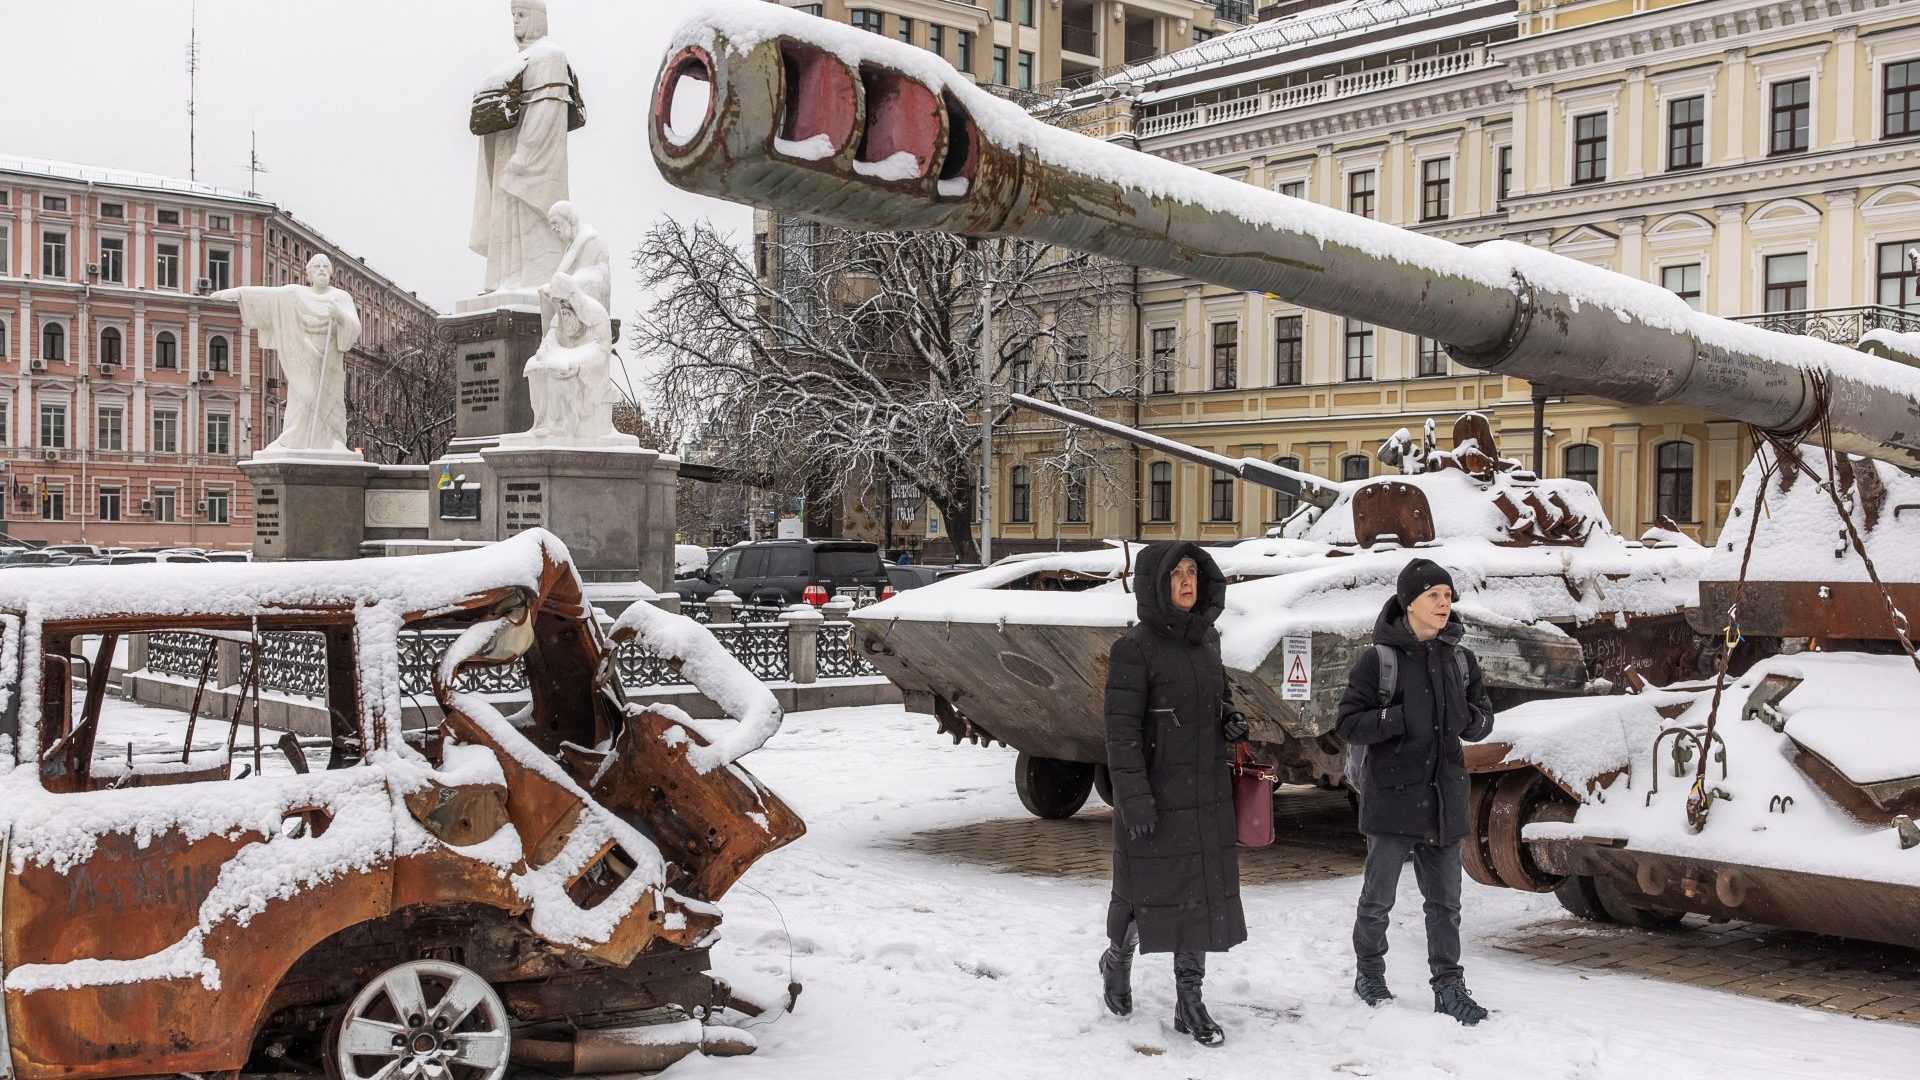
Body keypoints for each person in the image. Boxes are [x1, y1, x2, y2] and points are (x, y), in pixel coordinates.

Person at [1100, 542, 1249, 1047]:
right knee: (1144, 900)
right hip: (1156, 798)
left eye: (1193, 572)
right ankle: (1116, 962)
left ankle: (1190, 1001)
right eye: (1176, 574)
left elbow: (1219, 696)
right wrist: (1134, 799)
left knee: (1200, 899)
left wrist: (1229, 717)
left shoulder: (1208, 642)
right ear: (1154, 583)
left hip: (1205, 793)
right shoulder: (1133, 650)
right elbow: (1119, 735)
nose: (1188, 581)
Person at [1336, 558, 1497, 1025]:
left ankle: (1448, 985)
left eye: (1448, 596)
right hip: (1392, 797)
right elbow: (1348, 721)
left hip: (1444, 798)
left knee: (1446, 905)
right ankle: (1370, 972)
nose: (1444, 603)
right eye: (1434, 596)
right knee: (1378, 898)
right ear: (1410, 604)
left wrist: (1469, 718)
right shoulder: (1379, 660)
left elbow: (1484, 719)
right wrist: (1396, 719)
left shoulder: (1461, 659)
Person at [470, 0, 583, 298]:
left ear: (536, 18)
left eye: (521, 15)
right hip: (511, 153)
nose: (516, 22)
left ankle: (529, 279)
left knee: (533, 224)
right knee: (508, 228)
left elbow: (547, 114)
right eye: (513, 17)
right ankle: (510, 279)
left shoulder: (550, 57)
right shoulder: (518, 62)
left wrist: (525, 155)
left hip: (532, 161)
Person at [211, 254, 359, 455]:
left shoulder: (341, 298)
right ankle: (292, 439)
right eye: (317, 266)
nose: (322, 269)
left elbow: (353, 329)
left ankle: (334, 439)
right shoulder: (296, 294)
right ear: (308, 274)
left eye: (326, 266)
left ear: (331, 272)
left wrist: (340, 315)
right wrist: (237, 293)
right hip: (302, 358)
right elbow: (268, 296)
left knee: (330, 400)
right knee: (301, 400)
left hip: (329, 360)